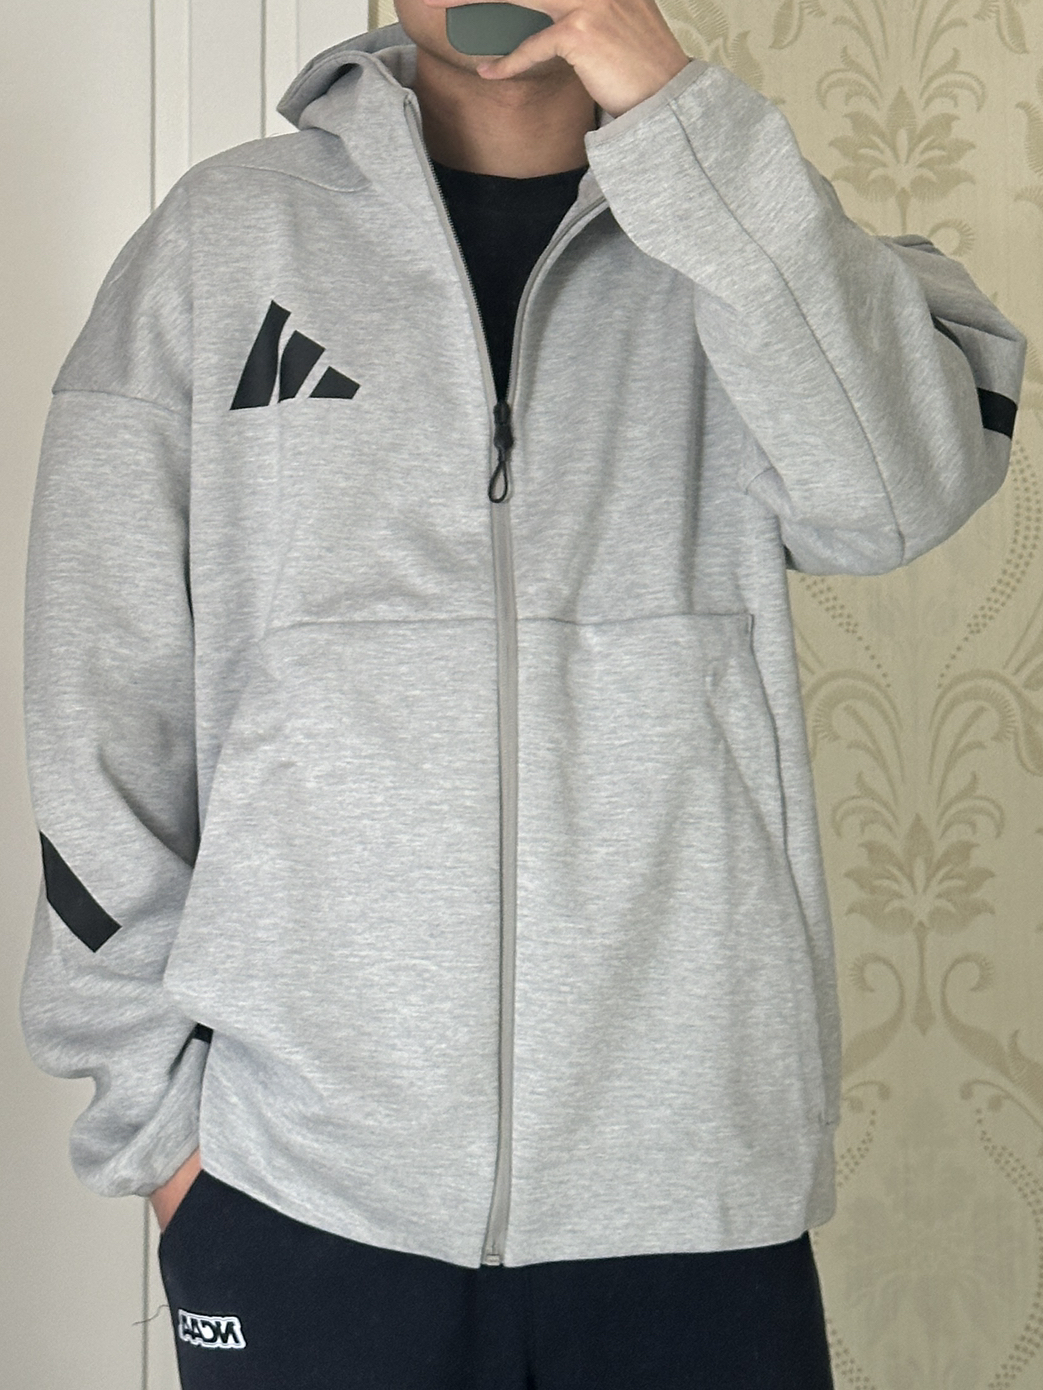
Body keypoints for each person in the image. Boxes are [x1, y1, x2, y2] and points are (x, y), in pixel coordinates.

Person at [19, 1, 1026, 1386]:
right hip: (296, 1191)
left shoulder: (746, 234)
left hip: (691, 1195)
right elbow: (99, 700)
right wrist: (162, 1133)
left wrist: (678, 121)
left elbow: (902, 494)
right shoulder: (220, 241)